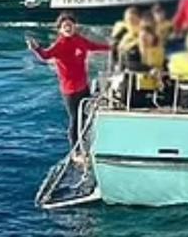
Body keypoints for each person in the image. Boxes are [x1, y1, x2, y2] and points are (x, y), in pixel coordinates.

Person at [26, 13, 110, 152]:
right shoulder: (60, 45)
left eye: (70, 25)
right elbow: (46, 56)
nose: (68, 28)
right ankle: (75, 150)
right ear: (60, 29)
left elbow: (94, 46)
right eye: (65, 26)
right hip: (70, 91)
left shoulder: (79, 40)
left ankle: (84, 140)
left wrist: (113, 48)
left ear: (74, 27)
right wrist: (36, 49)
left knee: (85, 115)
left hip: (84, 86)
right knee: (75, 120)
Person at [122, 27, 166, 108]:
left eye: (147, 38)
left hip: (156, 88)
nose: (144, 40)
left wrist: (163, 71)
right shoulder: (133, 49)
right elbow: (131, 64)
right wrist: (150, 69)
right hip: (134, 90)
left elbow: (166, 64)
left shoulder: (159, 50)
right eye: (142, 38)